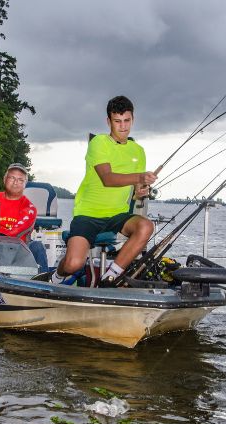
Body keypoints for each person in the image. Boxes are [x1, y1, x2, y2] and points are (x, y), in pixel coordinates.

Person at [49, 95, 156, 286]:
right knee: (73, 264)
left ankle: (110, 276)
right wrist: (140, 177)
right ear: (109, 122)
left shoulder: (138, 151)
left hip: (117, 214)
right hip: (88, 214)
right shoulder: (98, 143)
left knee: (146, 226)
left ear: (133, 119)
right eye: (117, 121)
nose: (123, 126)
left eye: (127, 121)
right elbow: (108, 179)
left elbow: (135, 188)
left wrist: (141, 190)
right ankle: (56, 277)